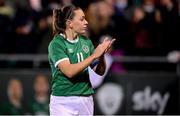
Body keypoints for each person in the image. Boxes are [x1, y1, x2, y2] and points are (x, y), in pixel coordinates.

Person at [48, 5, 115, 116]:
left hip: (86, 99)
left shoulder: (86, 42)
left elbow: (99, 71)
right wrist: (93, 56)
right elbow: (69, 72)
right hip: (63, 100)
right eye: (82, 19)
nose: (86, 22)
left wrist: (101, 55)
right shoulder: (56, 44)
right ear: (70, 23)